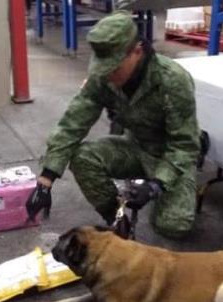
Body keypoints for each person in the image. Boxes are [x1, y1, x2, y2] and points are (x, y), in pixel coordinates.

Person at [26, 11, 201, 238]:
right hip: (135, 146)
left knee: (173, 225)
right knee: (82, 157)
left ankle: (177, 184)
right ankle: (116, 216)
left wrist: (157, 185)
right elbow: (73, 123)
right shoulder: (104, 77)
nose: (108, 75)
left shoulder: (172, 80)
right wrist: (45, 180)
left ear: (137, 51)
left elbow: (184, 144)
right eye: (104, 67)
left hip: (169, 154)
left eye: (115, 67)